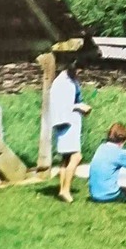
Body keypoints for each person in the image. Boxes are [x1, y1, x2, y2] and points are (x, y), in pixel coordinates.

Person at [49, 58, 91, 203]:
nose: (80, 73)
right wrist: (79, 107)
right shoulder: (62, 83)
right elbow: (62, 105)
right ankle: (66, 189)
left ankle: (62, 189)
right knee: (76, 156)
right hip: (66, 123)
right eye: (79, 70)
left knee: (66, 159)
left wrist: (79, 105)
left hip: (71, 122)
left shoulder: (71, 81)